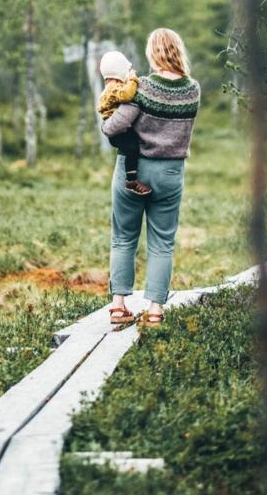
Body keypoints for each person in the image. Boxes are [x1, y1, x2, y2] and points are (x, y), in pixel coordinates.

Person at [101, 28, 200, 327]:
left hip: (134, 170)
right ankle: (155, 309)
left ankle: (118, 305)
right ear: (177, 50)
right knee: (162, 243)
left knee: (123, 238)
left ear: (152, 53)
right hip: (170, 172)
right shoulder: (193, 89)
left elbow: (113, 128)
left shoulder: (140, 87)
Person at [98, 50, 152, 196]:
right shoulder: (114, 88)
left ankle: (132, 178)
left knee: (133, 146)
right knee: (132, 148)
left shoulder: (110, 87)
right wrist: (133, 80)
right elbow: (127, 95)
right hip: (118, 132)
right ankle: (131, 180)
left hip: (118, 131)